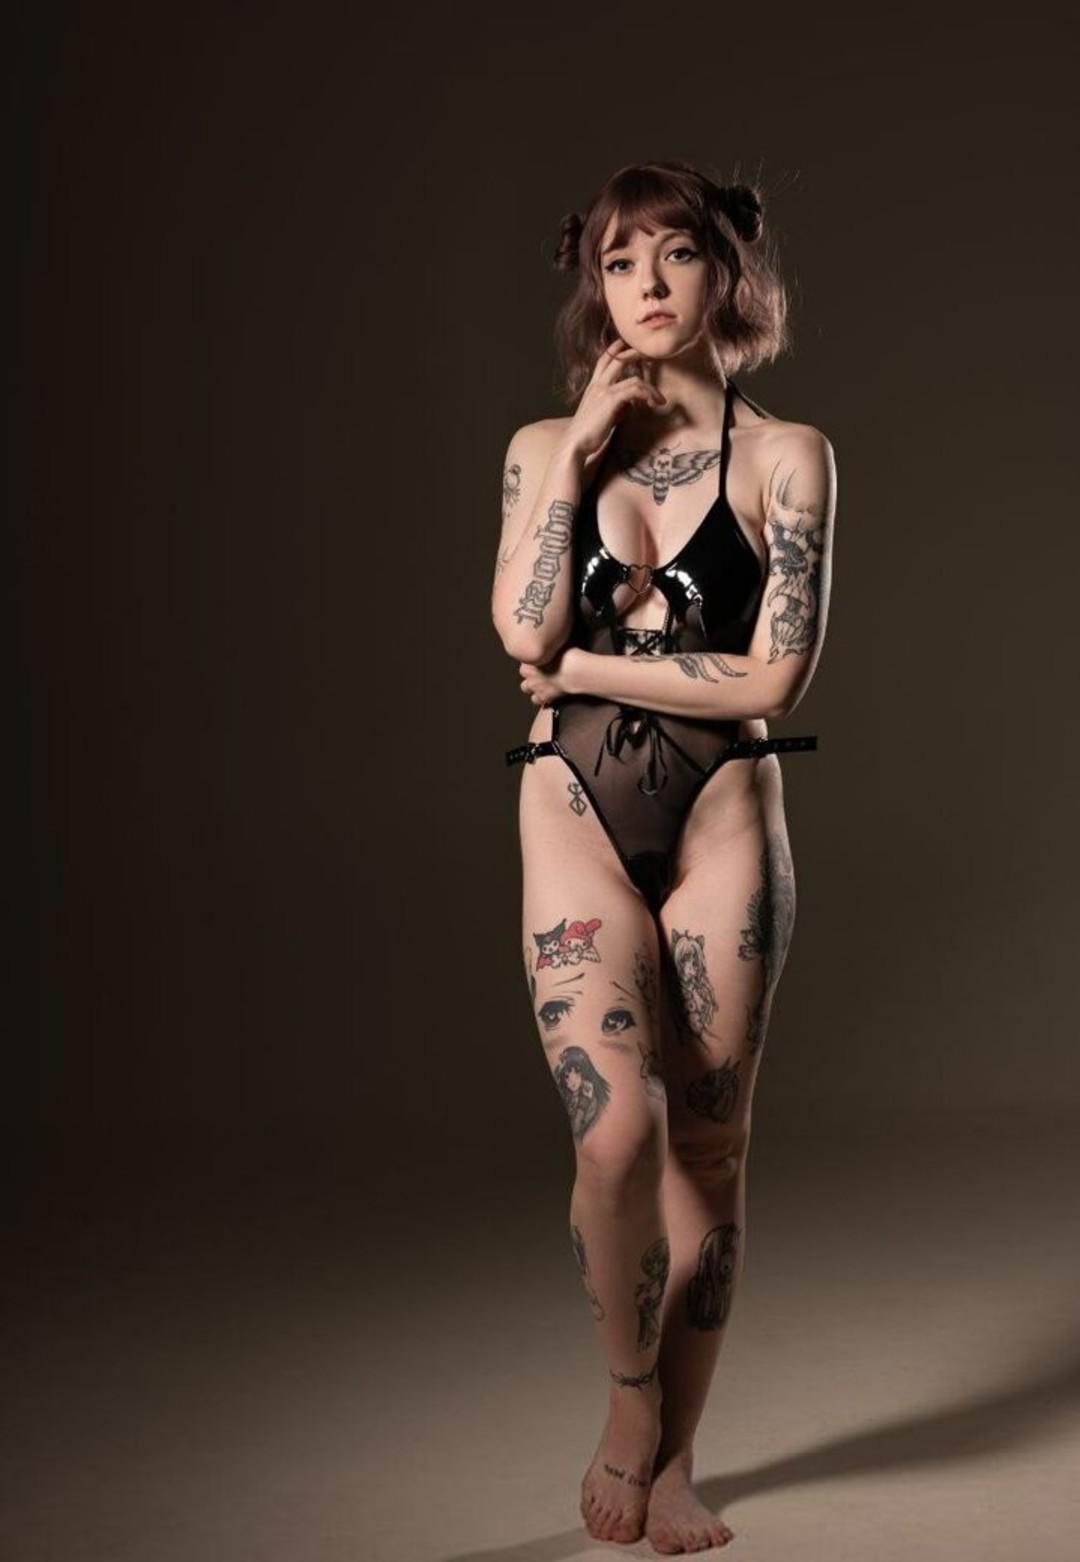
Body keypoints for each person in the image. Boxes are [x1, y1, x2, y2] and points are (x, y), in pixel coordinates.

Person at [491, 158, 836, 1553]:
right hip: (573, 809)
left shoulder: (786, 457)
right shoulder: (541, 446)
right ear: (596, 285)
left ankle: (680, 1459)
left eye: (675, 254)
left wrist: (584, 664)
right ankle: (630, 1399)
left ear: (722, 272)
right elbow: (519, 629)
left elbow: (776, 677)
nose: (646, 284)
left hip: (725, 819)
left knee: (708, 1147)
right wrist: (579, 451)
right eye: (619, 262)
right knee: (615, 1133)